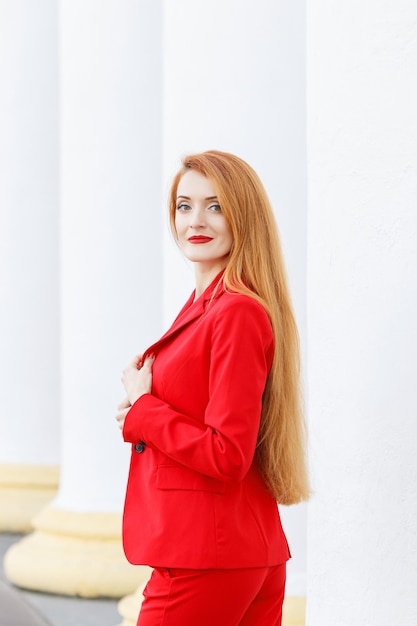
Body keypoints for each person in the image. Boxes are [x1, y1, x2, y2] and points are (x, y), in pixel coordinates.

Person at [116, 150, 310, 626]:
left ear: (242, 214)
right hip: (230, 551)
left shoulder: (236, 312)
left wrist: (144, 409)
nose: (195, 220)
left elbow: (227, 453)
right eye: (184, 206)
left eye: (216, 205)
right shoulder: (211, 304)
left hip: (206, 559)